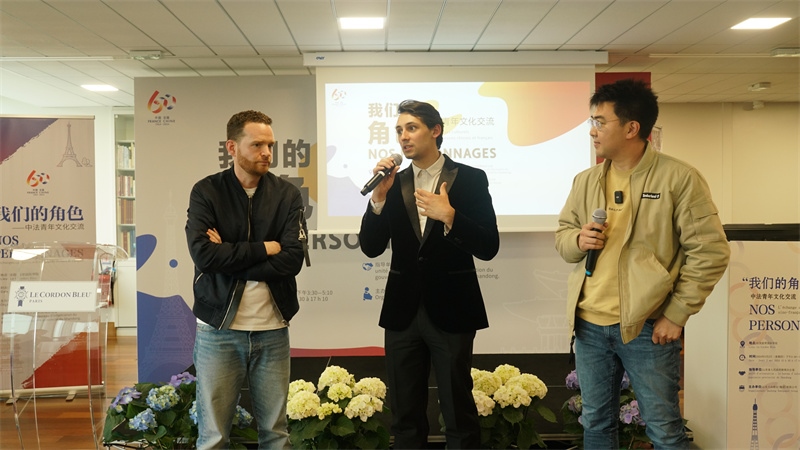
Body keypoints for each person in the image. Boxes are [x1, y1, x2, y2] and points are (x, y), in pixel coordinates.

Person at [555, 79, 730, 449]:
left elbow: (711, 251)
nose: (592, 130)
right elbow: (563, 238)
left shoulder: (678, 178)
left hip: (648, 326)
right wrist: (578, 240)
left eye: (600, 122)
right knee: (596, 424)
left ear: (632, 128)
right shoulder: (586, 180)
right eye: (591, 121)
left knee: (664, 430)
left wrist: (677, 313)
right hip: (589, 326)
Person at [359, 99, 500, 449]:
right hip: (402, 311)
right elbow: (371, 247)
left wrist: (450, 216)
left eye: (412, 128)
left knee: (457, 410)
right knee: (404, 414)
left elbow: (488, 245)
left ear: (435, 130)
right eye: (399, 130)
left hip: (453, 309)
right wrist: (378, 198)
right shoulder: (393, 182)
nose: (403, 137)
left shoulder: (470, 178)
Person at [185, 110, 308, 449]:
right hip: (218, 331)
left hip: (273, 330)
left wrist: (229, 255)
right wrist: (265, 248)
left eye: (270, 145)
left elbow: (292, 260)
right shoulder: (207, 191)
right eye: (257, 145)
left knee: (276, 434)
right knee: (213, 436)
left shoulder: (287, 194)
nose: (266, 153)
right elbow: (204, 256)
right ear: (232, 147)